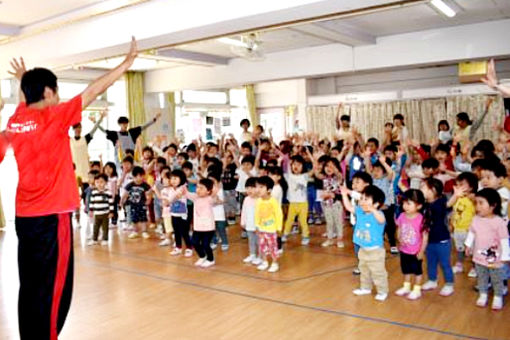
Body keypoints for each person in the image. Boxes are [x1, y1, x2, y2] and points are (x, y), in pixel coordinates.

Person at [0, 37, 138, 340]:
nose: (58, 97)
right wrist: (124, 66)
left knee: (32, 283)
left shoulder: (16, 120)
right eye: (56, 92)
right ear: (49, 92)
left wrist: (25, 81)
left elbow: (26, 107)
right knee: (55, 288)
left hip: (25, 218)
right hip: (53, 218)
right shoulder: (54, 116)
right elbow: (93, 90)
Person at [465, 188, 510, 310]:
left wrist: (506, 256)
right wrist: (468, 245)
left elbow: (504, 240)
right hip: (479, 256)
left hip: (494, 258)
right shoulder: (476, 219)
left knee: (496, 278)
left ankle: (498, 296)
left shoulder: (499, 222)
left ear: (493, 205)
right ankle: (483, 294)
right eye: (476, 203)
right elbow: (472, 233)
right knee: (482, 276)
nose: (477, 206)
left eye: (481, 203)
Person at [341, 185, 389, 301]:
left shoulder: (378, 215)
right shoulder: (360, 211)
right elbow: (348, 207)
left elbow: (382, 220)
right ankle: (365, 288)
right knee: (364, 271)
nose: (362, 202)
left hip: (375, 251)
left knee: (378, 272)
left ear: (376, 204)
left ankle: (382, 291)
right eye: (361, 198)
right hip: (363, 249)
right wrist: (344, 194)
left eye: (366, 199)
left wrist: (373, 209)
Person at [420, 178, 455, 296]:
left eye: (423, 187)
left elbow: (448, 205)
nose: (421, 190)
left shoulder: (440, 202)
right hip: (430, 240)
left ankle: (449, 284)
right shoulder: (424, 203)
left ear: (433, 190)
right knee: (431, 262)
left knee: (445, 263)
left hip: (442, 240)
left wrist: (456, 195)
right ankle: (432, 280)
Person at [394, 189, 427, 300]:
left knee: (417, 271)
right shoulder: (402, 216)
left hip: (415, 251)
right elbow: (399, 228)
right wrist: (399, 238)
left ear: (419, 206)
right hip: (404, 249)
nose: (405, 206)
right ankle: (406, 286)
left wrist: (421, 251)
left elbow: (425, 237)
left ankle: (417, 289)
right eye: (404, 203)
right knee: (406, 269)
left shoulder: (421, 219)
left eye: (409, 203)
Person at [447, 172, 477, 275]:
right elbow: (454, 212)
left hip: (469, 230)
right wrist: (451, 224)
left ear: (471, 187)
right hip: (458, 229)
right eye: (457, 185)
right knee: (459, 248)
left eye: (462, 185)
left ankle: (474, 267)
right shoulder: (457, 198)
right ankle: (459, 264)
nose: (458, 187)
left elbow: (477, 213)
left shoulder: (473, 199)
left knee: (472, 249)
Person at [185, 178, 217, 268]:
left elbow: (215, 191)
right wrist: (183, 186)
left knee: (205, 244)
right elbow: (186, 193)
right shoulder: (195, 197)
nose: (198, 190)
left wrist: (212, 183)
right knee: (194, 242)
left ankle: (211, 259)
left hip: (208, 227)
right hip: (198, 227)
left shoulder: (210, 199)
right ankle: (202, 256)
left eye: (201, 188)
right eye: (197, 187)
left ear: (208, 191)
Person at [255, 176, 283, 273]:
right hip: (262, 228)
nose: (258, 190)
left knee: (272, 247)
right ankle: (264, 261)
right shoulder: (258, 201)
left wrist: (279, 227)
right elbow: (257, 214)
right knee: (262, 246)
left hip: (271, 229)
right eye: (257, 187)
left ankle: (275, 263)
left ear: (269, 190)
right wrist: (257, 225)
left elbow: (279, 215)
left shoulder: (273, 201)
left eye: (261, 187)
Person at [70, 110, 106, 183]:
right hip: (74, 170)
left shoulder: (85, 139)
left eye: (79, 128)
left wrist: (100, 118)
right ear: (73, 129)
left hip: (85, 169)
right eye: (76, 128)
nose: (78, 129)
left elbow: (94, 130)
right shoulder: (70, 140)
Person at [121, 166, 152, 239]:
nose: (138, 178)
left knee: (143, 218)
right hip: (132, 205)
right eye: (136, 176)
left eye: (140, 176)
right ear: (133, 176)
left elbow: (149, 193)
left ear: (143, 176)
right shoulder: (130, 185)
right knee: (134, 219)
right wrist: (122, 200)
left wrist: (148, 200)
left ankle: (144, 231)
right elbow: (125, 193)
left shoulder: (145, 185)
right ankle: (135, 231)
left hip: (142, 204)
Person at [87, 173, 114, 246]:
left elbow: (111, 203)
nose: (99, 184)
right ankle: (94, 239)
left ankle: (105, 239)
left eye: (101, 182)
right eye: (97, 182)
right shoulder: (94, 192)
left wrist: (111, 212)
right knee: (95, 227)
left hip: (105, 214)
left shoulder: (108, 193)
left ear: (105, 182)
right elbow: (91, 202)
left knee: (105, 228)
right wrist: (91, 211)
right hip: (97, 214)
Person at [241, 177, 262, 265]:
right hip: (249, 225)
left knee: (259, 242)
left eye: (252, 188)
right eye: (247, 188)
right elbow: (244, 211)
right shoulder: (246, 199)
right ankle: (252, 254)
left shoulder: (261, 200)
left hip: (259, 226)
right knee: (251, 241)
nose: (249, 190)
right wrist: (243, 222)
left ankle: (260, 257)